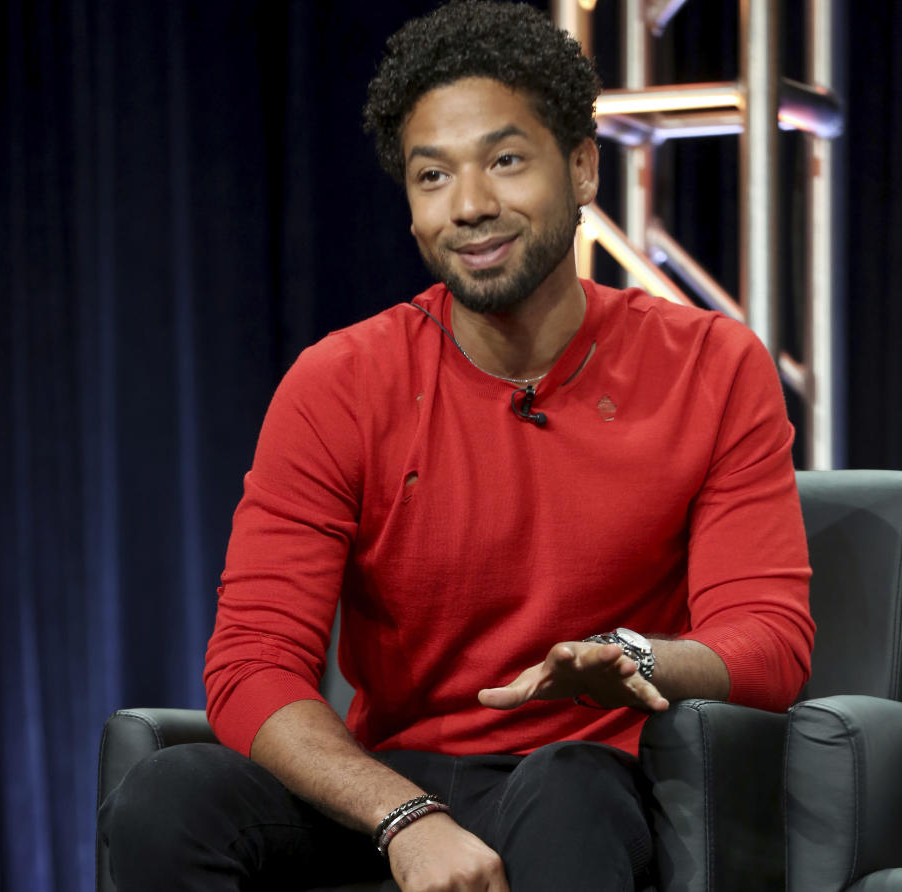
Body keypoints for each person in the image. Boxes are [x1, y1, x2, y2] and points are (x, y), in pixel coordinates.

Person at [100, 2, 814, 890]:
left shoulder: (712, 365)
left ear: (583, 168)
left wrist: (632, 660)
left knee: (568, 788)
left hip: (596, 780)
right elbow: (251, 664)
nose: (471, 207)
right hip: (396, 782)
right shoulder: (339, 383)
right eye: (432, 177)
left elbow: (771, 641)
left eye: (506, 162)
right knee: (169, 795)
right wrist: (403, 816)